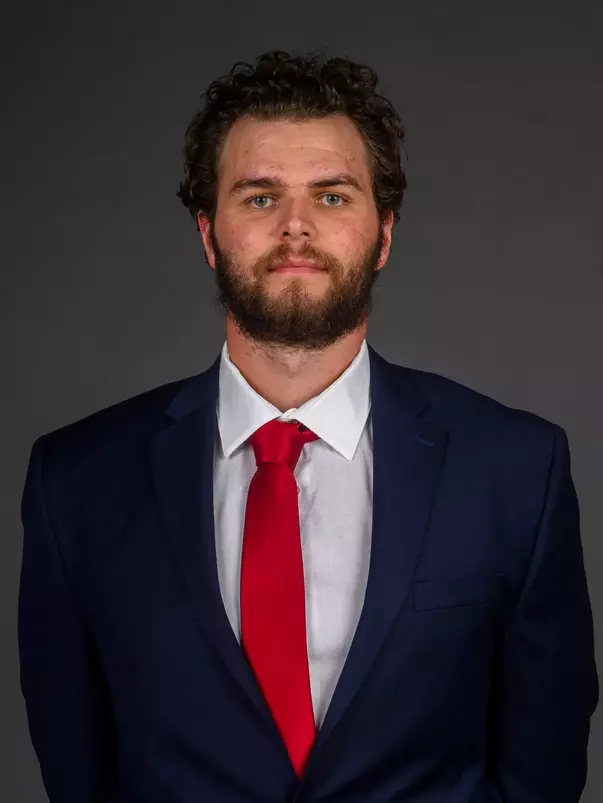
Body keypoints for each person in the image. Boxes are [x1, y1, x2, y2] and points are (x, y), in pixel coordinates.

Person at [18, 49, 598, 803]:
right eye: (259, 198)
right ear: (207, 233)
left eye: (331, 197)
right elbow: (75, 762)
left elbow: (542, 765)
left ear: (382, 234)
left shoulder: (517, 469)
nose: (295, 227)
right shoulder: (77, 481)